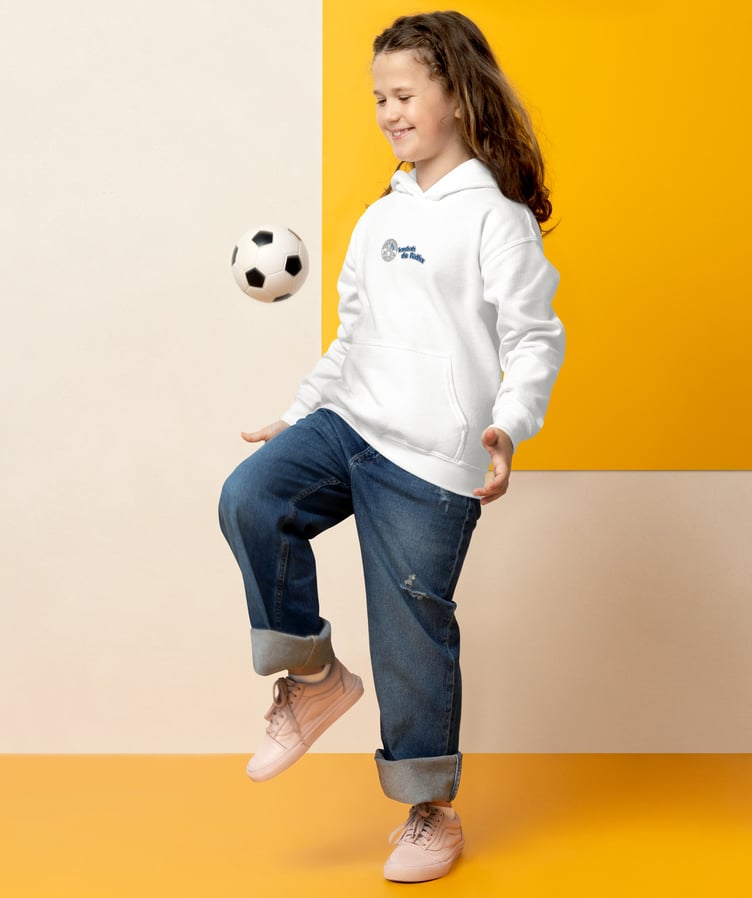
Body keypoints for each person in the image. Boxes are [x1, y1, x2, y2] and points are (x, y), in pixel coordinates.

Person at [219, 10, 565, 883]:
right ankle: (312, 678)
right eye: (379, 97)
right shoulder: (380, 218)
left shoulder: (496, 220)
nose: (388, 111)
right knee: (251, 497)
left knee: (410, 632)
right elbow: (353, 337)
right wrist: (303, 412)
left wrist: (510, 423)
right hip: (351, 427)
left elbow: (534, 336)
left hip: (433, 455)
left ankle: (430, 813)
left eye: (404, 94)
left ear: (456, 93)